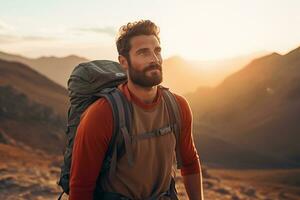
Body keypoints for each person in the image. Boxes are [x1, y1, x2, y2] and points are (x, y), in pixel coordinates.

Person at [69, 19, 204, 200]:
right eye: (143, 53)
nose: (154, 59)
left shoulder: (177, 106)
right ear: (124, 62)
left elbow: (189, 163)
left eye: (157, 51)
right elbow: (81, 188)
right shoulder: (102, 114)